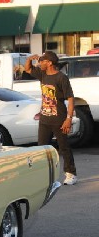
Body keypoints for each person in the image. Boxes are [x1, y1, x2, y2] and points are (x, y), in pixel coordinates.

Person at [24, 51, 77, 185]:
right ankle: (45, 176)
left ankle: (71, 174)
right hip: (45, 120)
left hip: (59, 119)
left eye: (42, 61)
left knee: (64, 147)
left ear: (49, 63)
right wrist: (30, 58)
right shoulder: (42, 74)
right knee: (42, 149)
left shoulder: (61, 78)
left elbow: (70, 99)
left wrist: (69, 118)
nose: (40, 63)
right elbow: (27, 68)